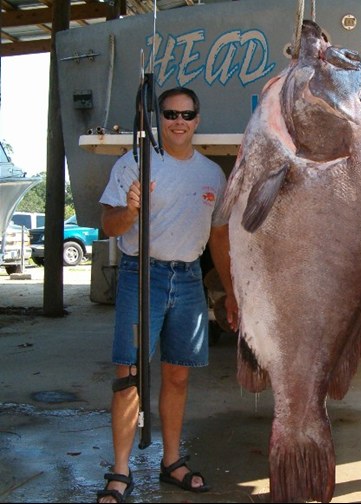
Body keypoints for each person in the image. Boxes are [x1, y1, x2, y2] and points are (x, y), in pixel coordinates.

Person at [95, 86, 238, 503]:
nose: (178, 121)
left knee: (178, 374)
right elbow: (110, 225)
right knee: (129, 377)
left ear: (197, 120)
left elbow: (218, 239)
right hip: (143, 275)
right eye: (170, 114)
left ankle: (171, 461)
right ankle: (120, 471)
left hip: (190, 279)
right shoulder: (135, 162)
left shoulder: (212, 173)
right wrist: (130, 211)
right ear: (158, 117)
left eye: (187, 114)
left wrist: (230, 292)